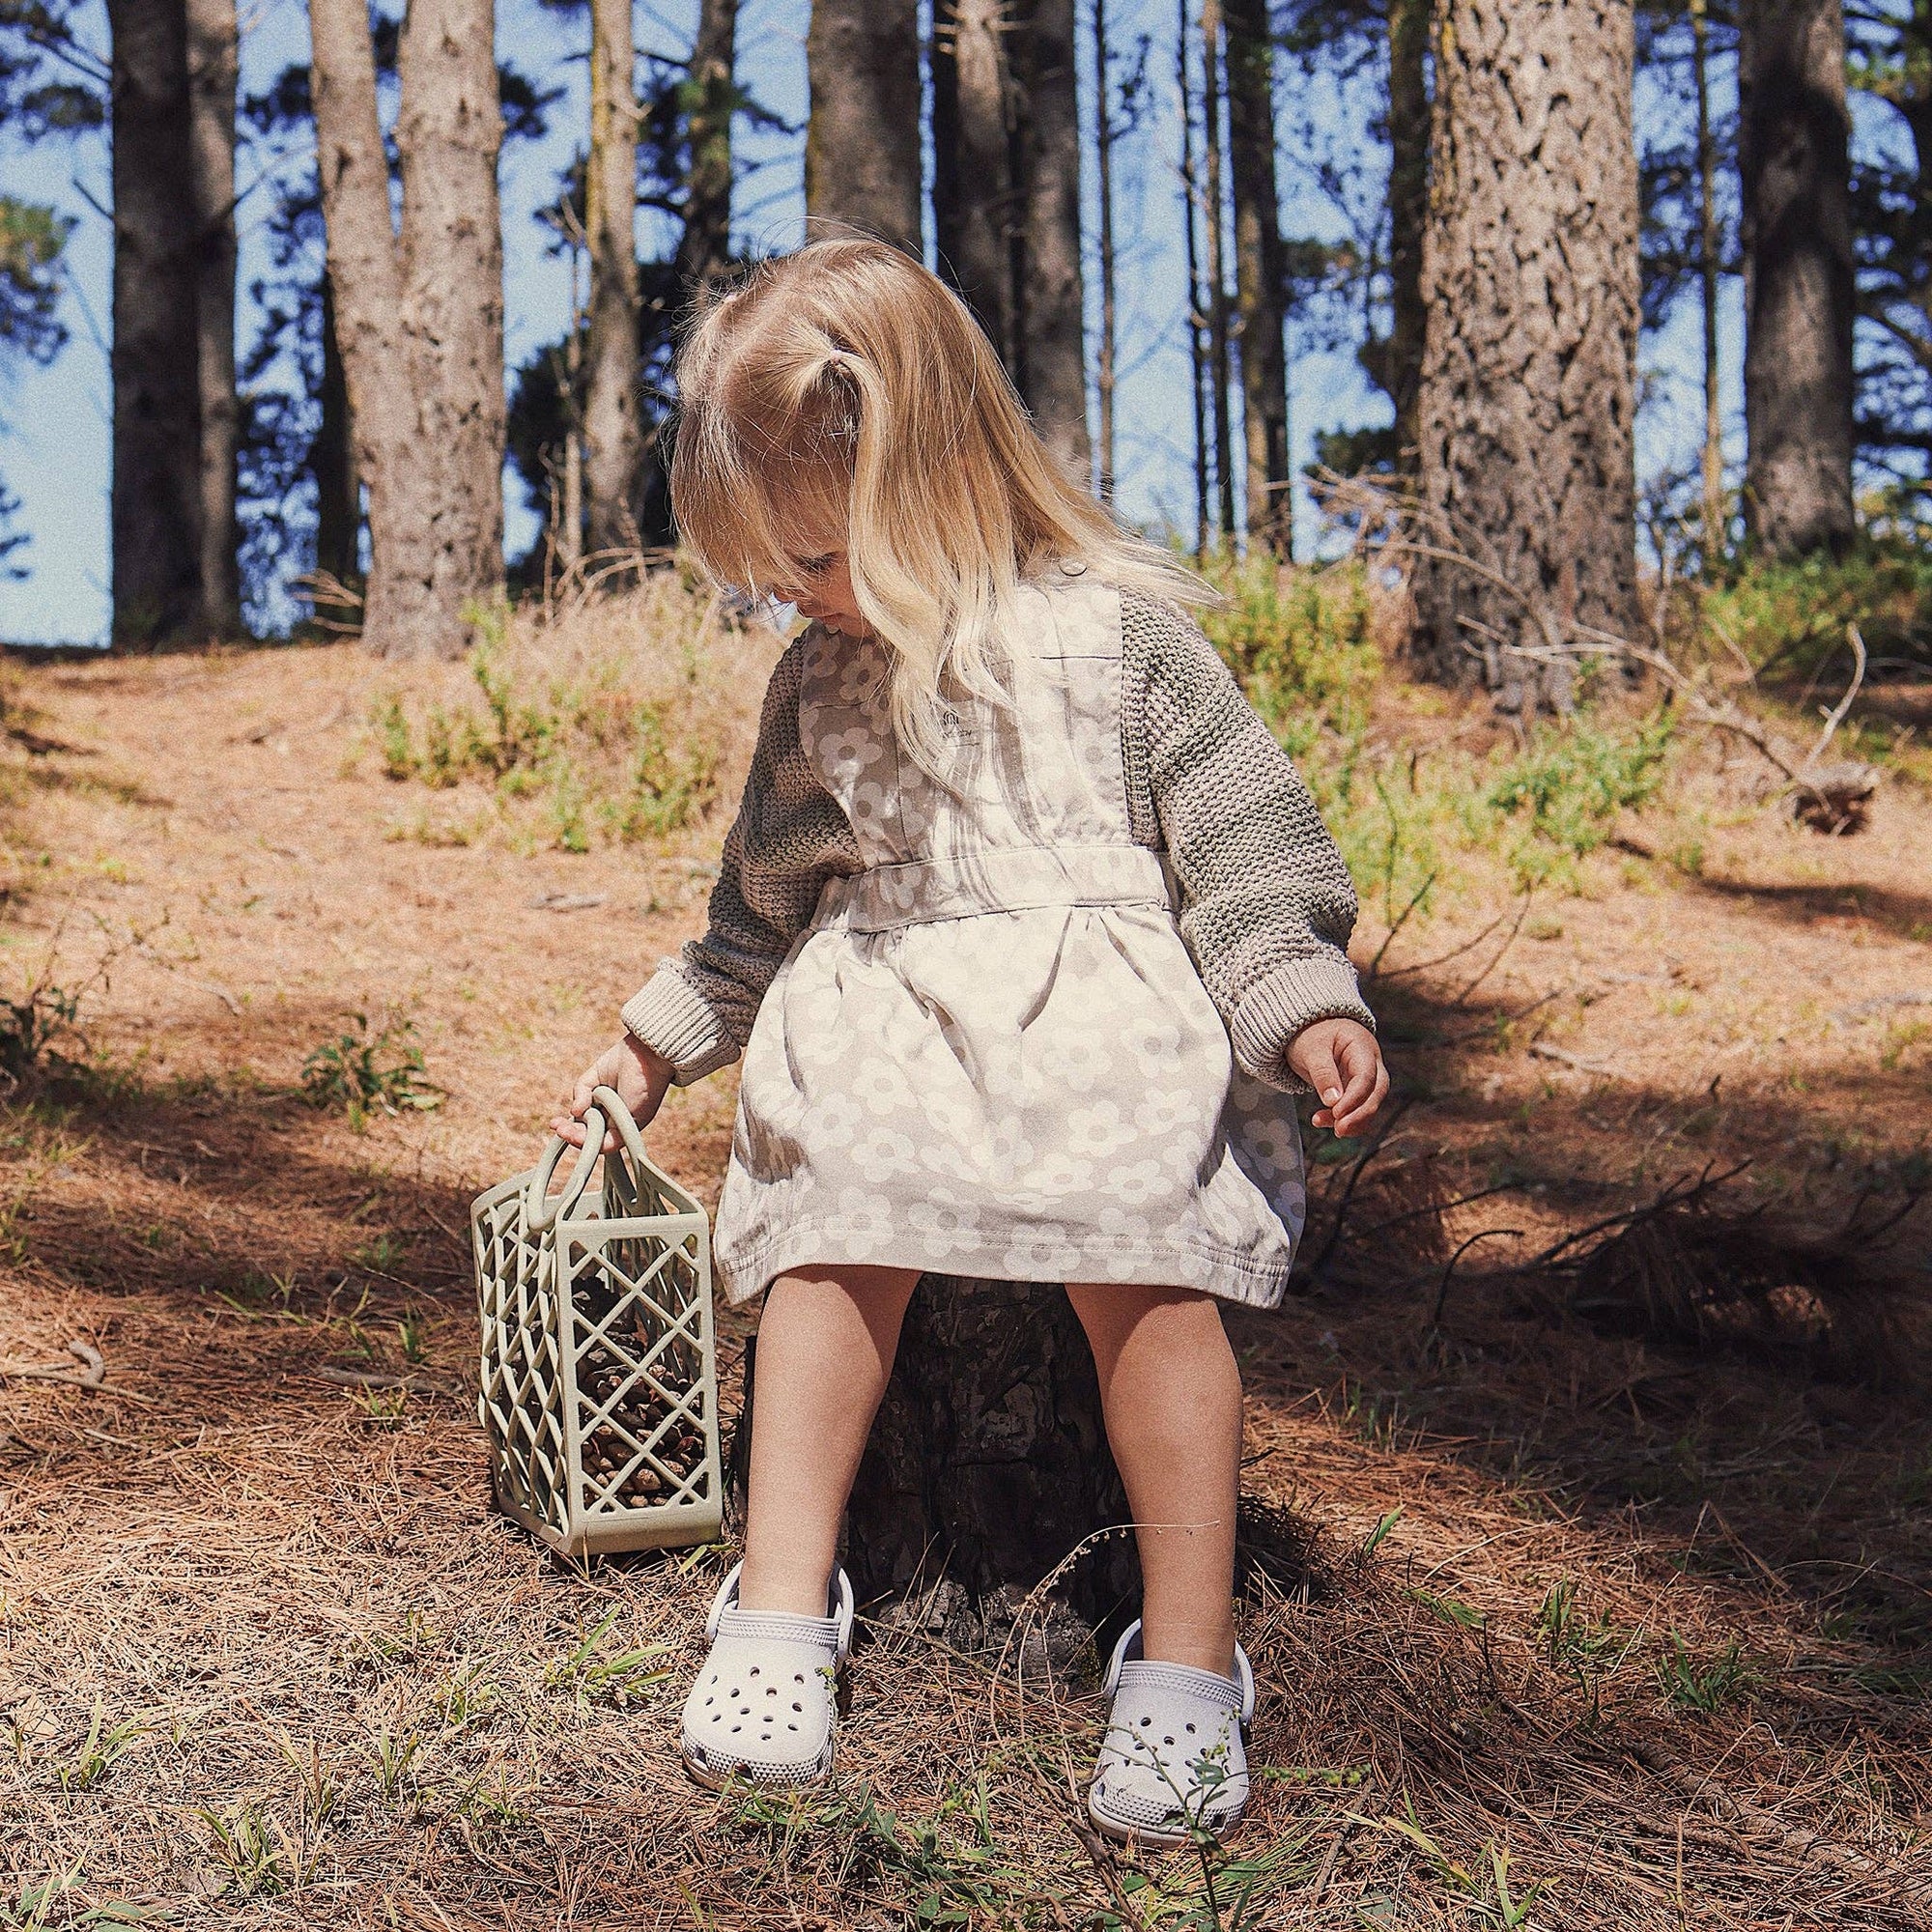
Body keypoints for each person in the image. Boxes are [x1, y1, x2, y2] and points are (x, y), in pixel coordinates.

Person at [556, 238, 1386, 1847]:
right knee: (829, 1236)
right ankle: (784, 1602)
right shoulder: (820, 682)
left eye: (809, 557)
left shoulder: (1122, 640)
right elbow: (755, 914)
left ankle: (1190, 1658)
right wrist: (655, 1047)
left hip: (1102, 1036)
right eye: (771, 576)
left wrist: (1304, 996)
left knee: (1151, 1272)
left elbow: (1246, 847)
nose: (789, 597)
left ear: (927, 476)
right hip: (887, 1019)